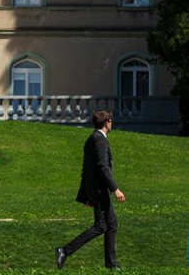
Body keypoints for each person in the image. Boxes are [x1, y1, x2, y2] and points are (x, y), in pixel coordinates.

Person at [55, 110, 126, 270]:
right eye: (111, 121)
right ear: (107, 121)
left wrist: (85, 196)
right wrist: (115, 189)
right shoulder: (99, 140)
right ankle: (65, 251)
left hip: (94, 190)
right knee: (102, 226)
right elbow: (103, 167)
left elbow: (86, 170)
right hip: (99, 189)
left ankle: (111, 264)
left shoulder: (91, 139)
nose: (111, 123)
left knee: (111, 224)